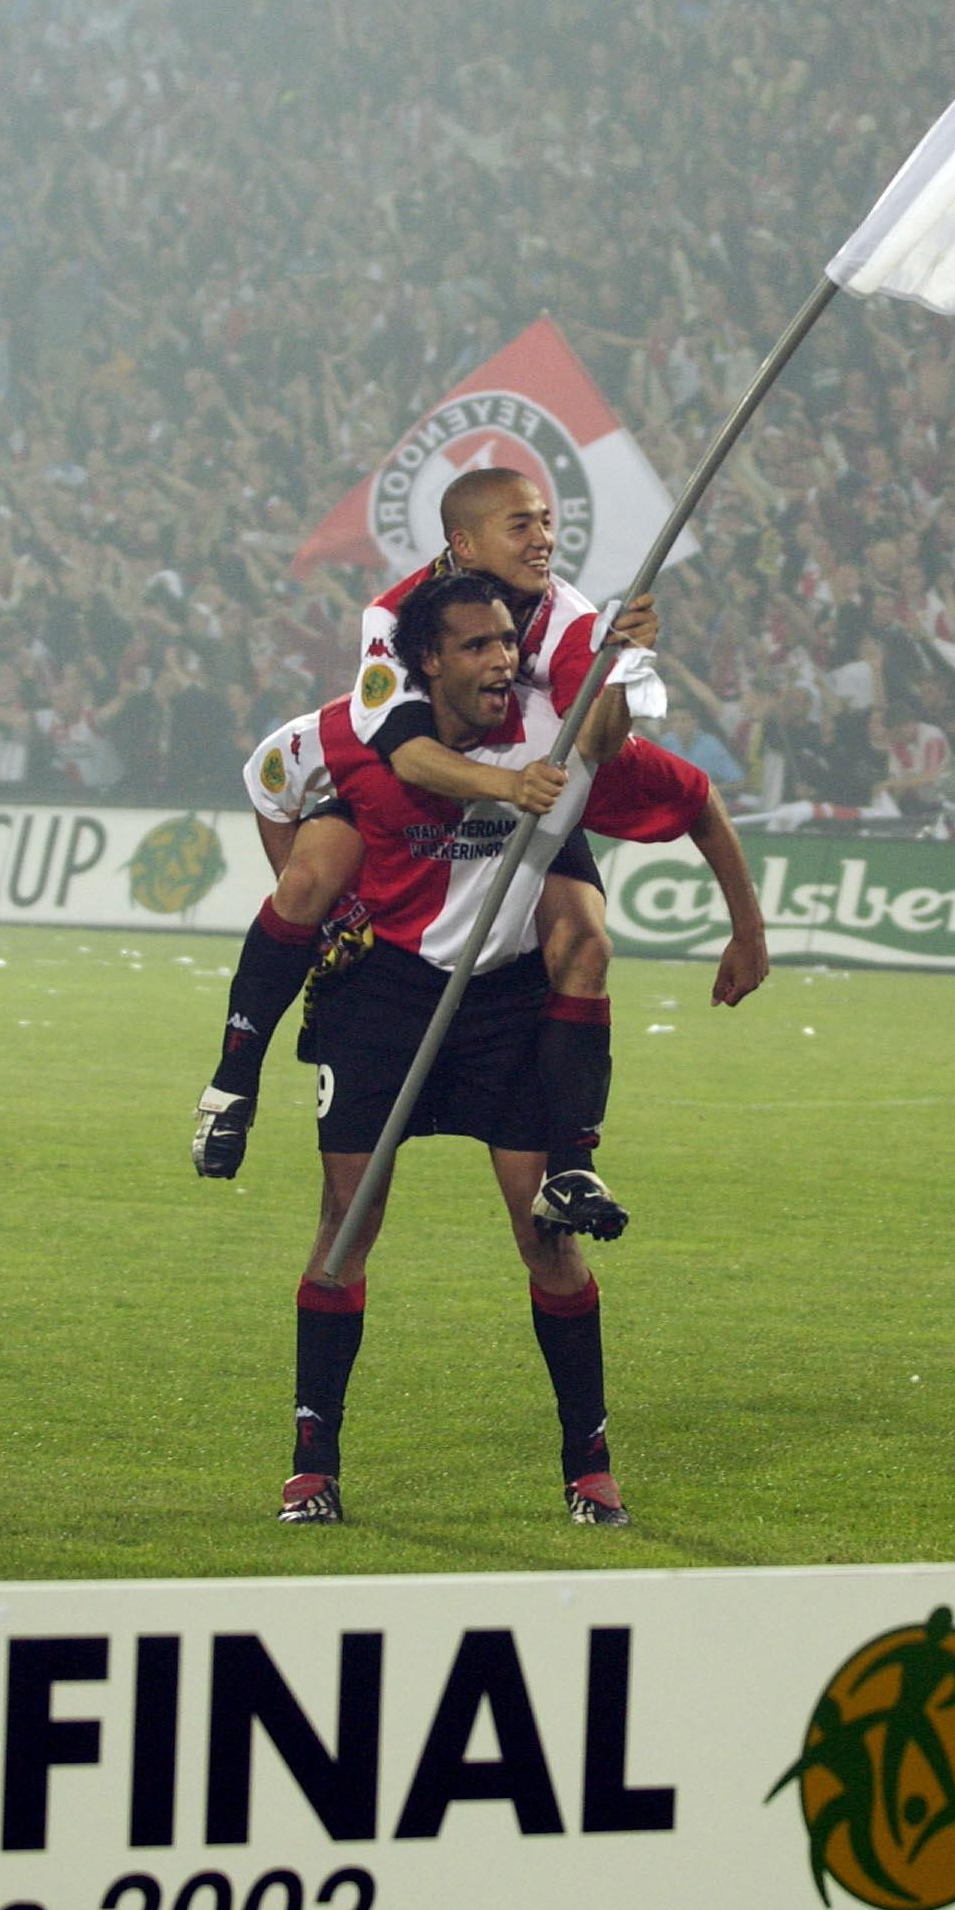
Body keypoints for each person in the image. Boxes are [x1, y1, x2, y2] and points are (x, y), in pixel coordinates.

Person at [273, 570, 658, 1532]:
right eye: (479, 644)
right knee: (345, 1222)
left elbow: (606, 748)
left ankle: (591, 1466)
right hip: (384, 1001)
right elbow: (288, 783)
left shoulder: (539, 716)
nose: (505, 657)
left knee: (546, 1237)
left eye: (507, 641)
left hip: (506, 1005)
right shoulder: (374, 725)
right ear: (429, 661)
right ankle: (312, 1466)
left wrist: (615, 663)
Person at [195, 463, 663, 1237]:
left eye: (547, 521)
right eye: (522, 524)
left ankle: (575, 1163)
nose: (545, 539)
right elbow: (397, 759)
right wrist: (333, 914)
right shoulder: (393, 618)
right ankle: (231, 1083)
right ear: (464, 543)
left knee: (586, 938)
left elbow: (601, 745)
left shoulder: (573, 620)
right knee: (309, 883)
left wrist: (616, 671)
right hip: (412, 789)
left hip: (528, 793)